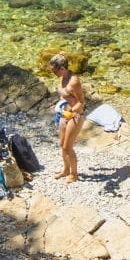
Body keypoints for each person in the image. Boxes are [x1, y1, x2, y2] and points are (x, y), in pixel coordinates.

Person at [50, 53, 86, 184]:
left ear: (62, 69)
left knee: (67, 147)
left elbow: (81, 102)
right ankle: (65, 170)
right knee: (62, 145)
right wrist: (58, 106)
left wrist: (71, 111)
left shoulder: (74, 82)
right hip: (63, 115)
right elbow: (64, 97)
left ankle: (74, 174)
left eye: (54, 69)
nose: (52, 72)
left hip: (75, 116)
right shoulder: (61, 78)